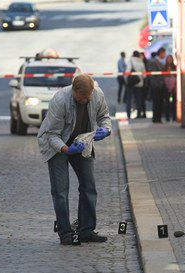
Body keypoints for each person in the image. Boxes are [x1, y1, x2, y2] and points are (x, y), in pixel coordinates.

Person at [37, 73, 112, 245]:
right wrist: (66, 149)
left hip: (82, 142)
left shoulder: (97, 95)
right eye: (82, 97)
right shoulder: (59, 100)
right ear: (74, 91)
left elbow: (104, 117)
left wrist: (106, 130)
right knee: (61, 190)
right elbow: (52, 134)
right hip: (57, 144)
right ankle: (65, 234)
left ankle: (86, 230)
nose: (86, 100)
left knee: (89, 186)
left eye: (88, 97)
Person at [147, 47, 167, 123]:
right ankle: (156, 118)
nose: (165, 55)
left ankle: (158, 118)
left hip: (160, 86)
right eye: (164, 53)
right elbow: (152, 75)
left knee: (160, 102)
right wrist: (156, 84)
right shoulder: (154, 62)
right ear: (161, 53)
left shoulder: (160, 62)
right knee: (156, 102)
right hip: (156, 86)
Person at [124, 51, 146, 119]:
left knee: (129, 99)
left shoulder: (130, 61)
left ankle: (128, 114)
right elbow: (144, 75)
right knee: (138, 99)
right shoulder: (141, 62)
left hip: (130, 84)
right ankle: (139, 114)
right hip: (139, 83)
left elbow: (127, 72)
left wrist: (126, 80)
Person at [163, 54, 176, 122]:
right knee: (167, 103)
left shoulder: (175, 67)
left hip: (174, 86)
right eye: (168, 59)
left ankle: (174, 117)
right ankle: (167, 117)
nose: (169, 60)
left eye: (170, 59)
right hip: (166, 87)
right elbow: (163, 76)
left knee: (174, 103)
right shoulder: (164, 67)